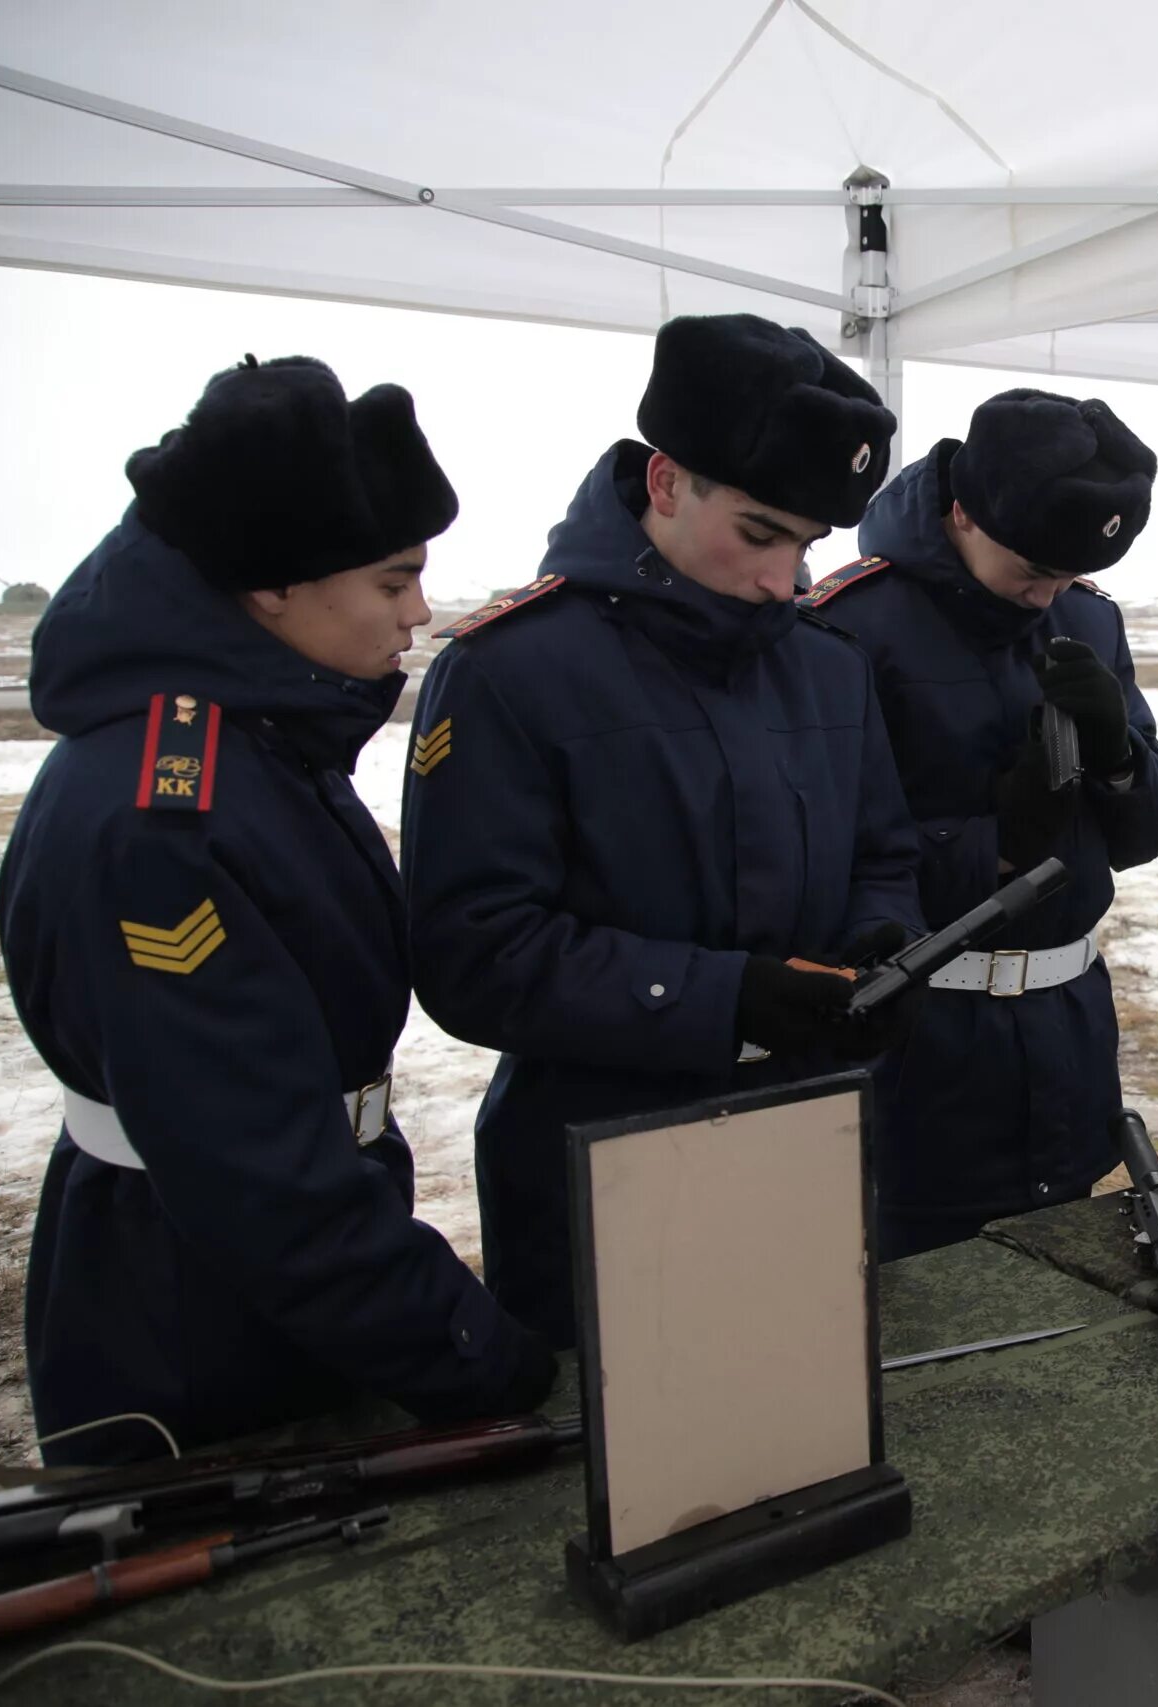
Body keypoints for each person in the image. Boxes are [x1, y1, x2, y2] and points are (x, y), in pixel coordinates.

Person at [0, 356, 554, 1465]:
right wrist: (475, 1356)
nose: (419, 612)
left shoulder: (259, 743)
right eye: (394, 581)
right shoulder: (165, 817)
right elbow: (260, 1180)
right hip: (198, 1322)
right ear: (272, 588)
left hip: (281, 1288)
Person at [401, 314, 924, 1346]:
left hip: (808, 1136)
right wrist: (721, 999)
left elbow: (884, 852)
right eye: (761, 533)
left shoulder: (823, 664)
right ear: (666, 482)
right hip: (601, 1154)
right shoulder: (511, 670)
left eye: (810, 545)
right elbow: (474, 952)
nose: (785, 579)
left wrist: (879, 941)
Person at [808, 389, 1158, 1260]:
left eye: (1065, 576)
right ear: (966, 511)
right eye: (1030, 571)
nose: (1045, 595)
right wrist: (1000, 847)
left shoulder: (1087, 617)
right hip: (925, 1054)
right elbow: (831, 863)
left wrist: (1117, 752)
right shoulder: (853, 627)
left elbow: (1149, 832)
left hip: (1065, 1032)